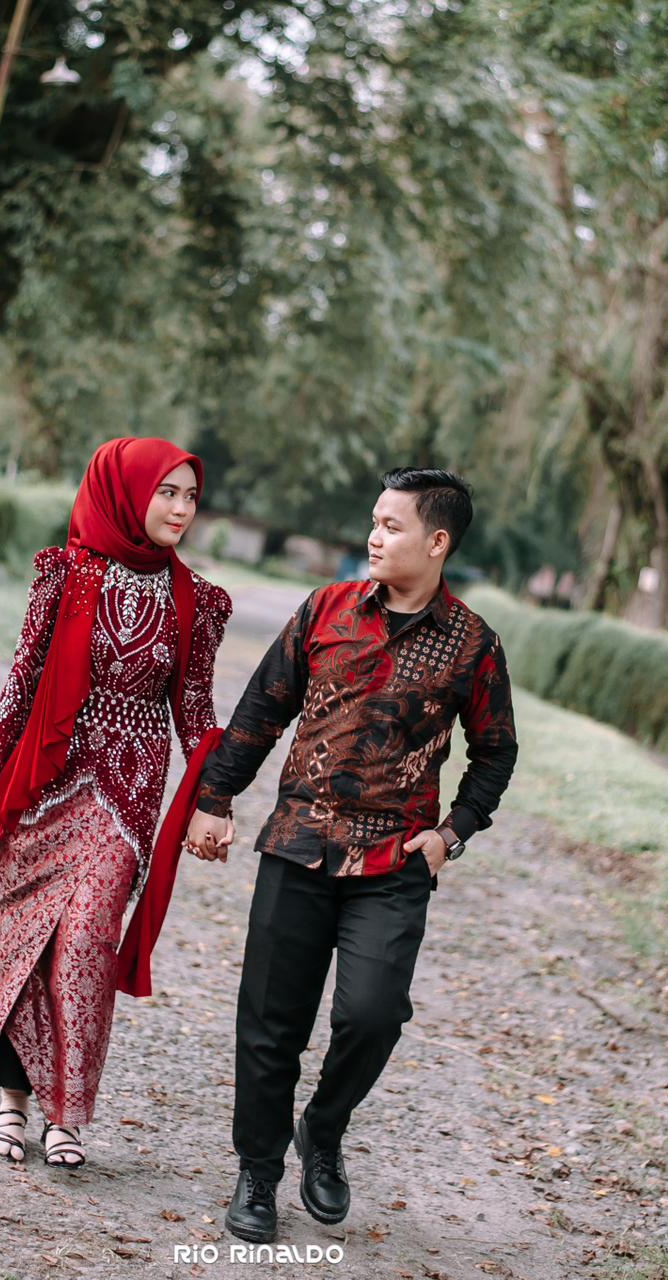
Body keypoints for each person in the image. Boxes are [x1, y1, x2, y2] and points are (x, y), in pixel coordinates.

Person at [186, 467, 518, 1242]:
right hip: (298, 846)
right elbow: (261, 710)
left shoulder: (473, 644)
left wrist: (453, 833)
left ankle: (324, 1130)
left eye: (392, 526)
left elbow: (496, 751)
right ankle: (258, 1173)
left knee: (373, 1015)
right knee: (270, 1022)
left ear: (437, 542)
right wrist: (215, 799)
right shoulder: (326, 609)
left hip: (394, 864)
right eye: (374, 521)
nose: (374, 537)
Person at [0, 437, 232, 1169]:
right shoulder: (66, 575)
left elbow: (195, 712)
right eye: (167, 492)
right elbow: (23, 679)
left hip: (126, 797)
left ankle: (67, 1116)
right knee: (28, 945)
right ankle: (13, 1105)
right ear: (126, 492)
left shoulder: (197, 602)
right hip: (44, 787)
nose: (181, 508)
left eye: (190, 496)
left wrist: (214, 799)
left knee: (84, 940)